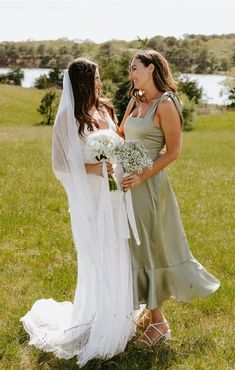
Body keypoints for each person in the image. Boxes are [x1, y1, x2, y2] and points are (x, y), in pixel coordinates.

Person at [20, 58, 138, 367]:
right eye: (97, 76)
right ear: (83, 81)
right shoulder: (69, 118)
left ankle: (119, 312)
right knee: (96, 253)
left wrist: (120, 160)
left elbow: (119, 140)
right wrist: (96, 167)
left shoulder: (104, 108)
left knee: (117, 249)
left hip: (114, 195)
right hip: (90, 198)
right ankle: (98, 317)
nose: (100, 81)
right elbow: (60, 164)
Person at [119, 50, 220, 346]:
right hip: (127, 182)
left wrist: (141, 174)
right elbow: (122, 132)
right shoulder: (135, 99)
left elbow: (173, 152)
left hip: (148, 185)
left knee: (148, 246)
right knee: (134, 245)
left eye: (135, 68)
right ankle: (151, 310)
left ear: (151, 69)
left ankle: (160, 323)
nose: (131, 73)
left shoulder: (166, 103)